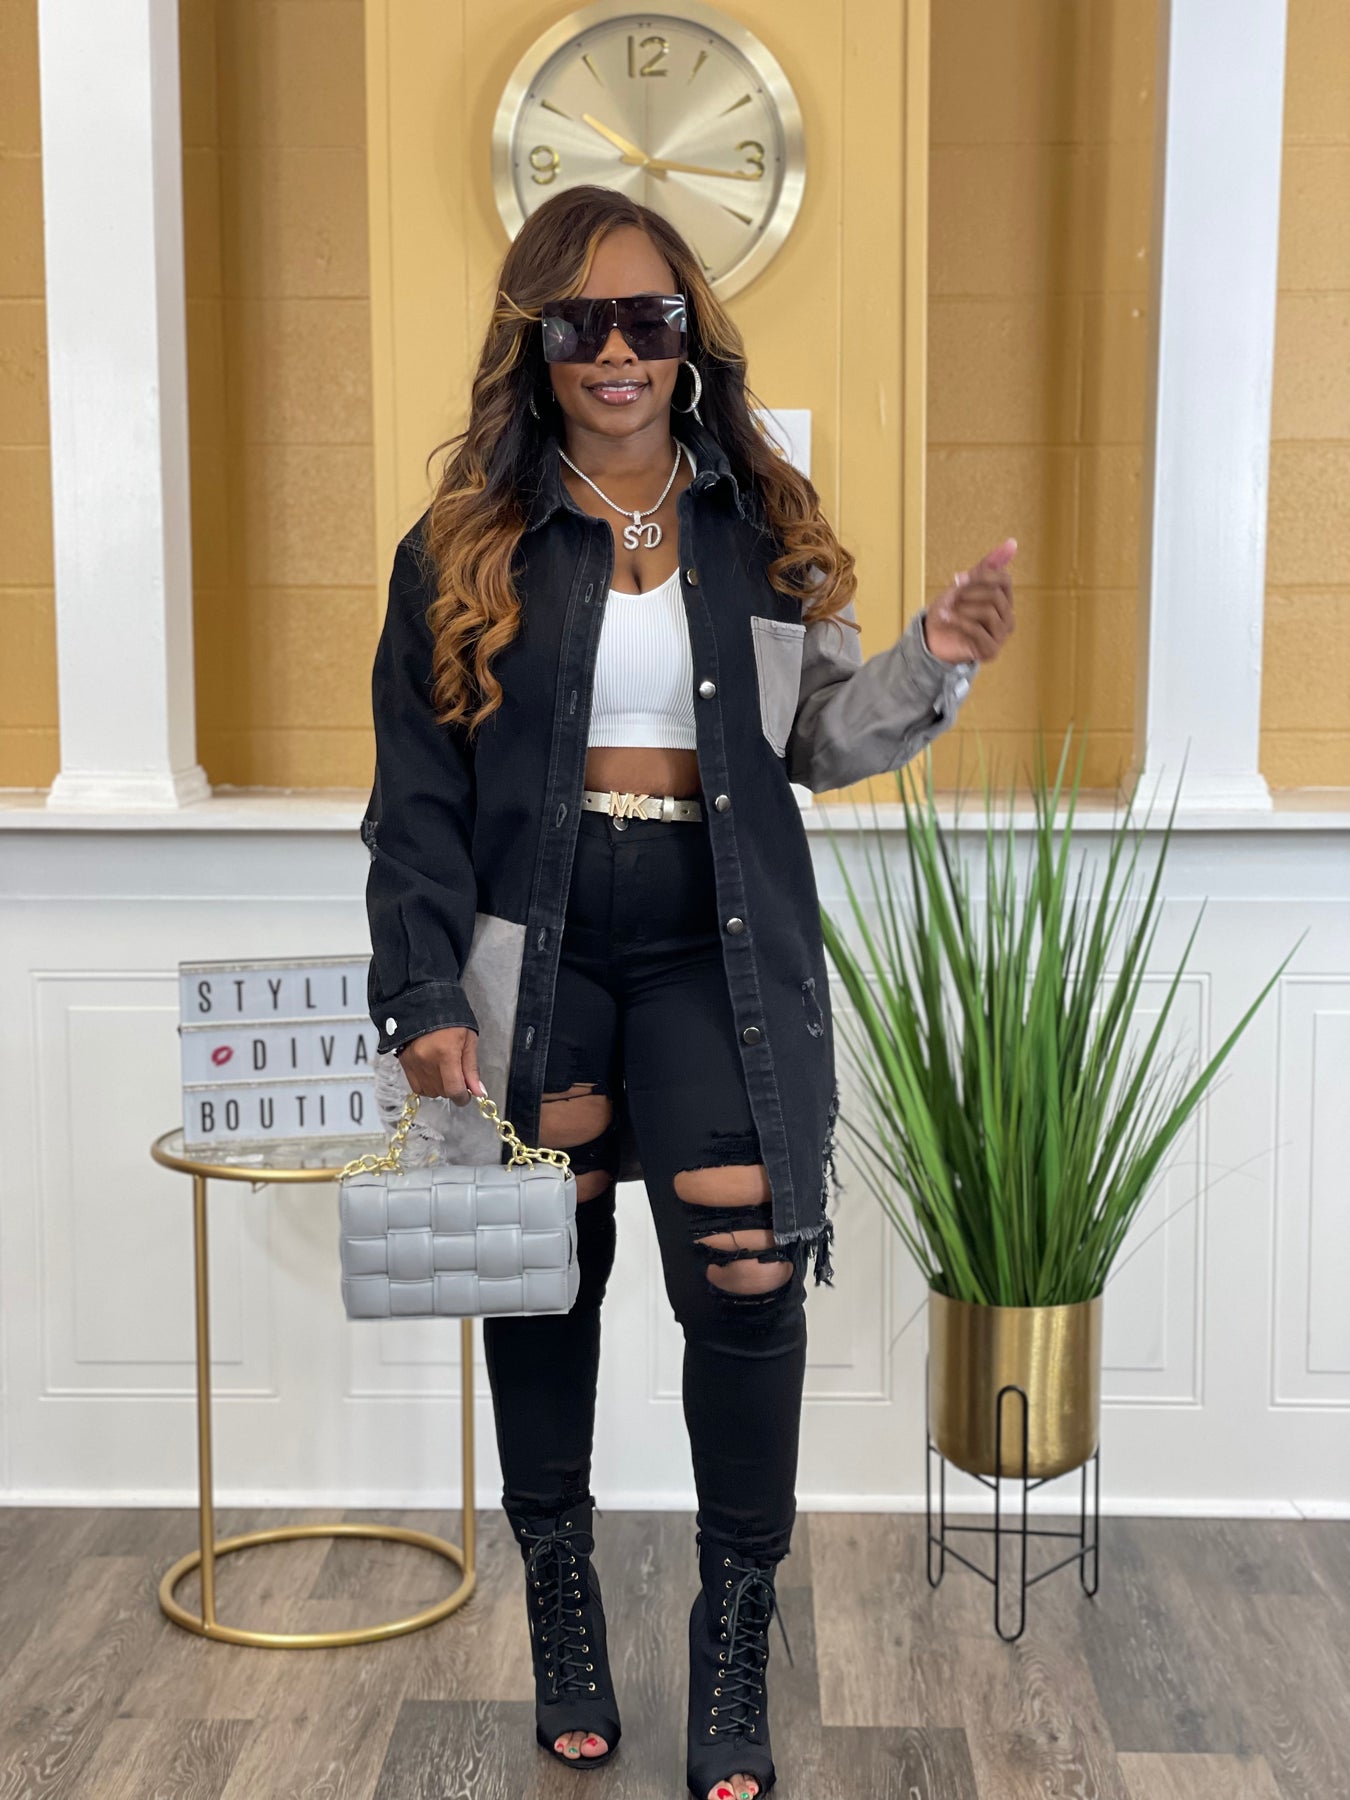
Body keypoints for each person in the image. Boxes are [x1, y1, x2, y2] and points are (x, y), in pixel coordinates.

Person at [360, 184, 1014, 1800]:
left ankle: (735, 1627)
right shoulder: (461, 544)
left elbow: (821, 742)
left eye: (646, 318)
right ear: (534, 344)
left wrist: (933, 655)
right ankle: (561, 1599)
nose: (616, 351)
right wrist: (421, 991)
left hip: (714, 939)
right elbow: (415, 797)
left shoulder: (758, 522)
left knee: (745, 1276)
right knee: (542, 1275)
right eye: (578, 322)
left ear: (686, 338)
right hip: (533, 947)